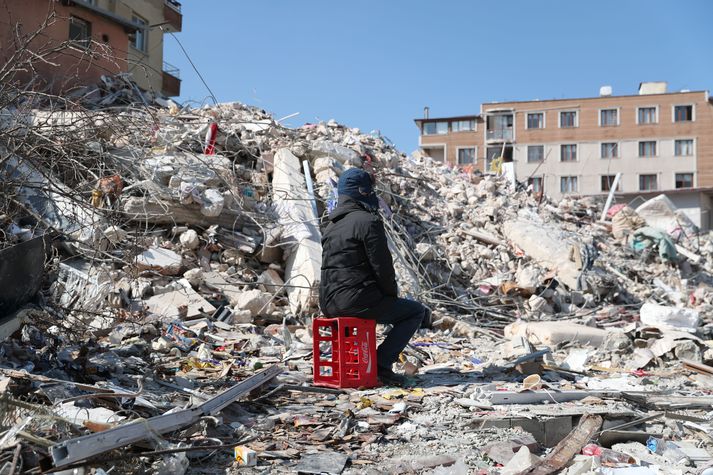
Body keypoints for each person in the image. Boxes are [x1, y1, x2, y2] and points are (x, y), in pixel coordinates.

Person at [319, 167, 428, 386]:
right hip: (355, 301)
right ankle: (380, 365)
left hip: (328, 303)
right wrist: (390, 296)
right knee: (415, 312)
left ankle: (363, 366)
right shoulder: (368, 221)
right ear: (363, 191)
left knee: (377, 305)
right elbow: (383, 267)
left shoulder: (331, 226)